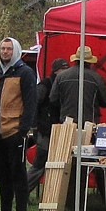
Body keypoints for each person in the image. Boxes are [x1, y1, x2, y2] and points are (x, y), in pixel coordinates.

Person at [0, 36, 37, 211]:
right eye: (3, 48)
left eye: (9, 49)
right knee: (1, 174)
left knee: (18, 175)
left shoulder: (25, 73)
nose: (5, 52)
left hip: (14, 132)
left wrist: (23, 131)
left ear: (15, 51)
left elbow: (31, 103)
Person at [49, 45, 106, 127]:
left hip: (67, 123)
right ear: (90, 62)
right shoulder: (96, 77)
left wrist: (66, 104)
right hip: (90, 123)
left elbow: (53, 99)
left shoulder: (61, 76)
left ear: (76, 60)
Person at [32, 57, 70, 186]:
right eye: (63, 69)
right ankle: (22, 192)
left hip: (57, 129)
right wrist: (35, 126)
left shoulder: (63, 85)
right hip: (45, 131)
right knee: (39, 164)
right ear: (55, 71)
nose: (65, 72)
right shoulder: (45, 85)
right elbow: (34, 104)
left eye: (67, 69)